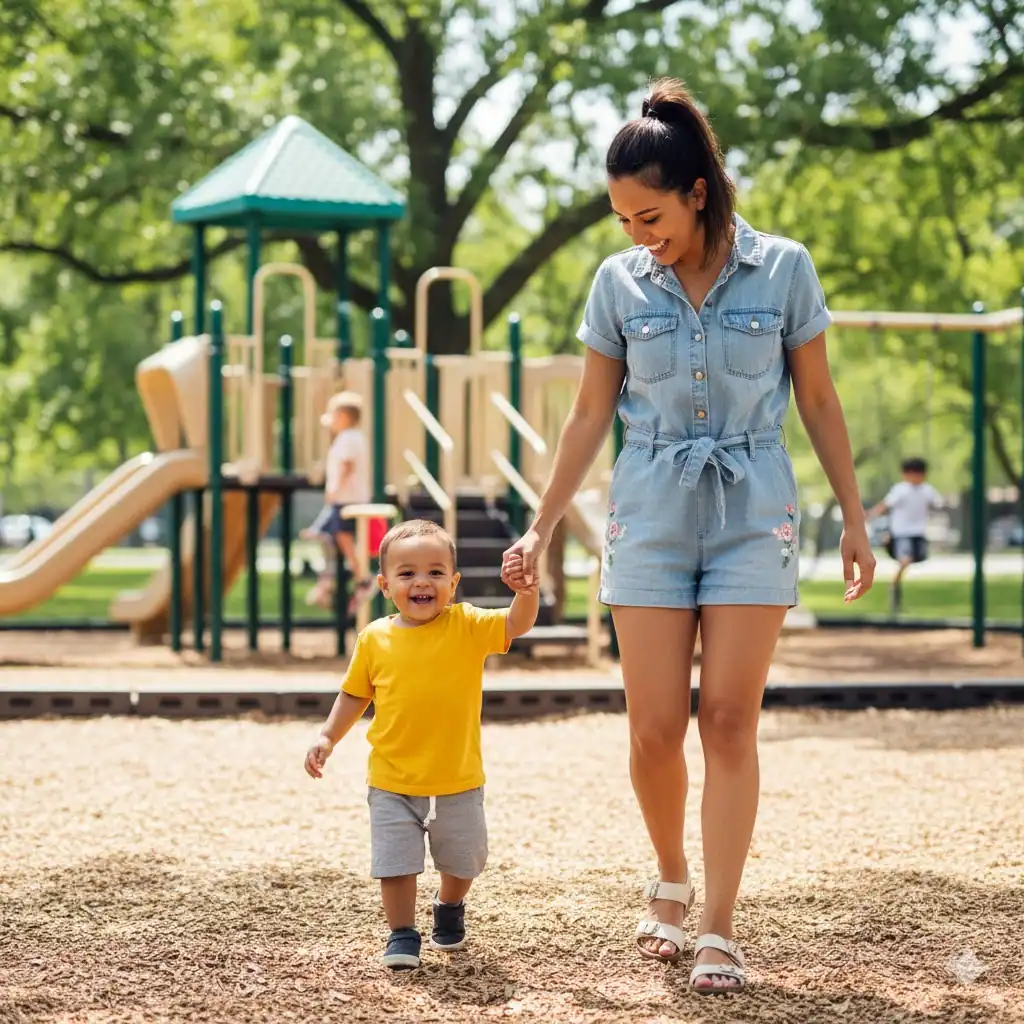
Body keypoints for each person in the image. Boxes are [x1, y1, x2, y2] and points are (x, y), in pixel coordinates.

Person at [500, 78, 875, 993]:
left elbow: (818, 400)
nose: (639, 234)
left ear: (697, 189)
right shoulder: (617, 283)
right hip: (650, 514)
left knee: (729, 721)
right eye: (624, 219)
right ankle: (668, 874)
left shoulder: (784, 267)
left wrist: (855, 518)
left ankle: (718, 923)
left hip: (755, 512)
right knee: (655, 729)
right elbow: (591, 415)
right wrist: (543, 525)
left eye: (650, 214)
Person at [303, 519, 540, 970]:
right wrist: (327, 736)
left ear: (453, 583)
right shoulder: (375, 637)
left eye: (435, 572)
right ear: (384, 584)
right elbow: (355, 693)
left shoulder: (467, 624)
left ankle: (449, 905)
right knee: (395, 863)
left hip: (457, 778)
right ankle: (402, 933)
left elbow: (517, 622)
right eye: (407, 573)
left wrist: (525, 590)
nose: (421, 582)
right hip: (392, 779)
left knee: (464, 861)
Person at [302, 390, 374, 613]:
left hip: (346, 500)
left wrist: (334, 487)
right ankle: (329, 583)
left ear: (342, 416)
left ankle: (361, 578)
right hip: (346, 500)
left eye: (333, 417)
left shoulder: (347, 439)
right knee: (326, 536)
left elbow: (346, 465)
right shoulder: (354, 438)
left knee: (338, 537)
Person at [866, 456, 942, 614]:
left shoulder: (926, 490)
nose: (917, 478)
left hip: (918, 532)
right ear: (906, 474)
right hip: (901, 532)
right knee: (905, 560)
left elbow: (938, 502)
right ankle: (894, 587)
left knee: (920, 557)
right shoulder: (901, 490)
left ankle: (888, 545)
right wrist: (870, 515)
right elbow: (885, 504)